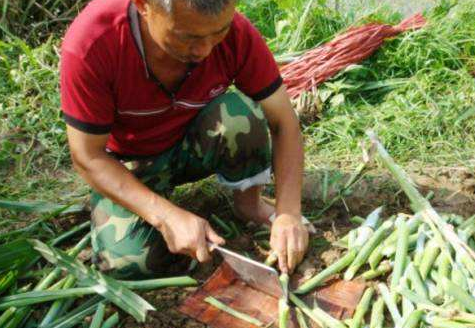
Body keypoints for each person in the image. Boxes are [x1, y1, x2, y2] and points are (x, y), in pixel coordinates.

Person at [60, 0, 308, 279]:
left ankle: (248, 204)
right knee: (129, 264)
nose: (205, 50)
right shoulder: (93, 42)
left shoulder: (237, 33)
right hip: (132, 162)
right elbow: (87, 156)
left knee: (241, 114)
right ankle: (158, 205)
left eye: (219, 32)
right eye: (187, 37)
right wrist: (165, 216)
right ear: (144, 6)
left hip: (196, 142)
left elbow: (284, 122)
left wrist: (288, 212)